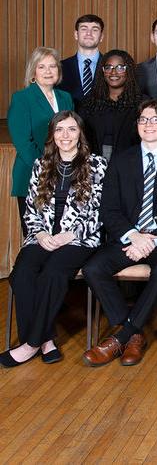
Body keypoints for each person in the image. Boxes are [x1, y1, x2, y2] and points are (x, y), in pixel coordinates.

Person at [81, 99, 157, 367]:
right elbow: (108, 209)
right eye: (143, 119)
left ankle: (120, 337)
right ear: (136, 126)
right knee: (94, 268)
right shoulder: (122, 161)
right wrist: (133, 235)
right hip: (130, 236)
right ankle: (134, 335)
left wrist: (152, 237)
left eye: (155, 119)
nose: (149, 125)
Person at [0, 112, 107, 368]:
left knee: (52, 274)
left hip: (79, 239)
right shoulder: (41, 164)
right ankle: (46, 340)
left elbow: (99, 211)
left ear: (80, 133)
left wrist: (67, 236)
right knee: (22, 272)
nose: (65, 135)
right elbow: (32, 209)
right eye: (60, 130)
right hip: (43, 237)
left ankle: (30, 344)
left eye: (71, 129)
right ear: (52, 135)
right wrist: (40, 234)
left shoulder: (97, 165)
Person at [9, 47, 74, 235]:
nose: (48, 71)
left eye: (53, 66)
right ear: (33, 71)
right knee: (36, 234)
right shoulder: (22, 98)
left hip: (65, 173)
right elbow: (23, 142)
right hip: (32, 172)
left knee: (59, 232)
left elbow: (72, 133)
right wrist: (47, 168)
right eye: (42, 67)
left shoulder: (65, 97)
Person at [78, 49, 143, 161]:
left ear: (129, 70)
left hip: (131, 166)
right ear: (102, 71)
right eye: (108, 67)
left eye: (120, 67)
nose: (113, 72)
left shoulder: (142, 104)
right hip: (94, 169)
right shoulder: (88, 104)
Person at [60, 14, 105, 103]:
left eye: (95, 30)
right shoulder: (60, 67)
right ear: (76, 35)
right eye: (84, 29)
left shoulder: (111, 67)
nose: (89, 33)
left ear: (101, 37)